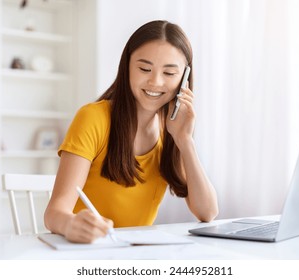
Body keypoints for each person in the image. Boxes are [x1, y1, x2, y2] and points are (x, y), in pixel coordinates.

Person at [44, 20, 218, 243]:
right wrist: (70, 225)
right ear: (126, 67)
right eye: (144, 69)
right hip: (87, 250)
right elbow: (53, 214)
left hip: (135, 254)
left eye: (169, 73)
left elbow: (208, 212)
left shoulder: (173, 130)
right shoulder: (93, 118)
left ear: (183, 80)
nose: (155, 82)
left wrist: (185, 141)